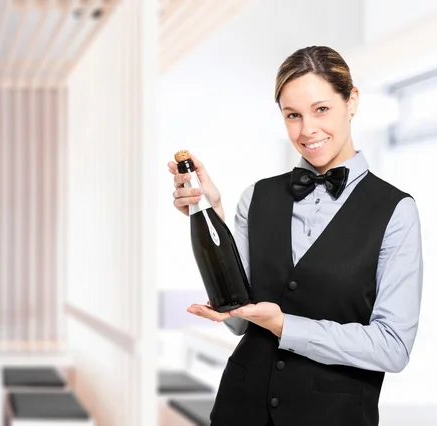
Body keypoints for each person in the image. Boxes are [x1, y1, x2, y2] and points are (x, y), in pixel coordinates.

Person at [167, 46, 423, 426]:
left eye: (321, 109)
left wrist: (286, 326)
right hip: (240, 409)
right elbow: (238, 318)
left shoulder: (396, 211)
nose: (307, 130)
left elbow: (393, 347)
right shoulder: (256, 196)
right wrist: (213, 213)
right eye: (293, 115)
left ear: (351, 101)